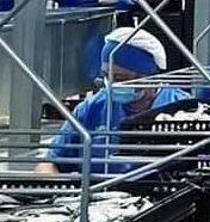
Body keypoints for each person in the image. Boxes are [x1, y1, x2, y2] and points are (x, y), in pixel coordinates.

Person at [37, 27, 190, 175]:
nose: (111, 85)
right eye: (106, 76)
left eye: (120, 78)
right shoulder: (93, 107)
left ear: (149, 77)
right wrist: (47, 183)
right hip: (100, 197)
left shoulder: (181, 107)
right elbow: (51, 160)